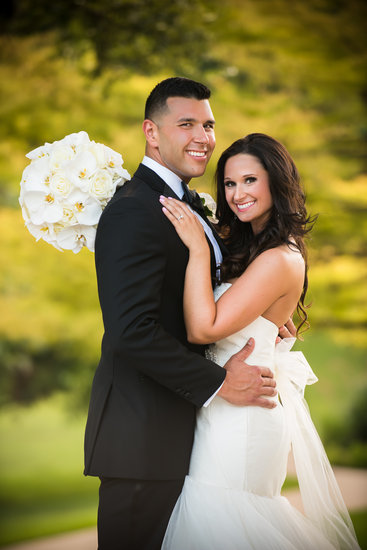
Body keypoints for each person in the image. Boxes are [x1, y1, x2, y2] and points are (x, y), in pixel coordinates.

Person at [84, 79, 283, 550]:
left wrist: (257, 310)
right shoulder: (134, 209)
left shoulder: (194, 206)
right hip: (142, 441)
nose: (203, 137)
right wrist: (219, 382)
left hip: (191, 435)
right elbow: (131, 331)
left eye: (209, 124)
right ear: (151, 132)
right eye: (187, 124)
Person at [160, 133, 360, 549]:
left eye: (250, 180)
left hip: (244, 417)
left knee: (227, 520)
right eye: (230, 184)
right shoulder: (250, 247)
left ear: (277, 182)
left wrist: (197, 249)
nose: (237, 194)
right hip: (223, 403)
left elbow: (203, 329)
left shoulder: (280, 258)